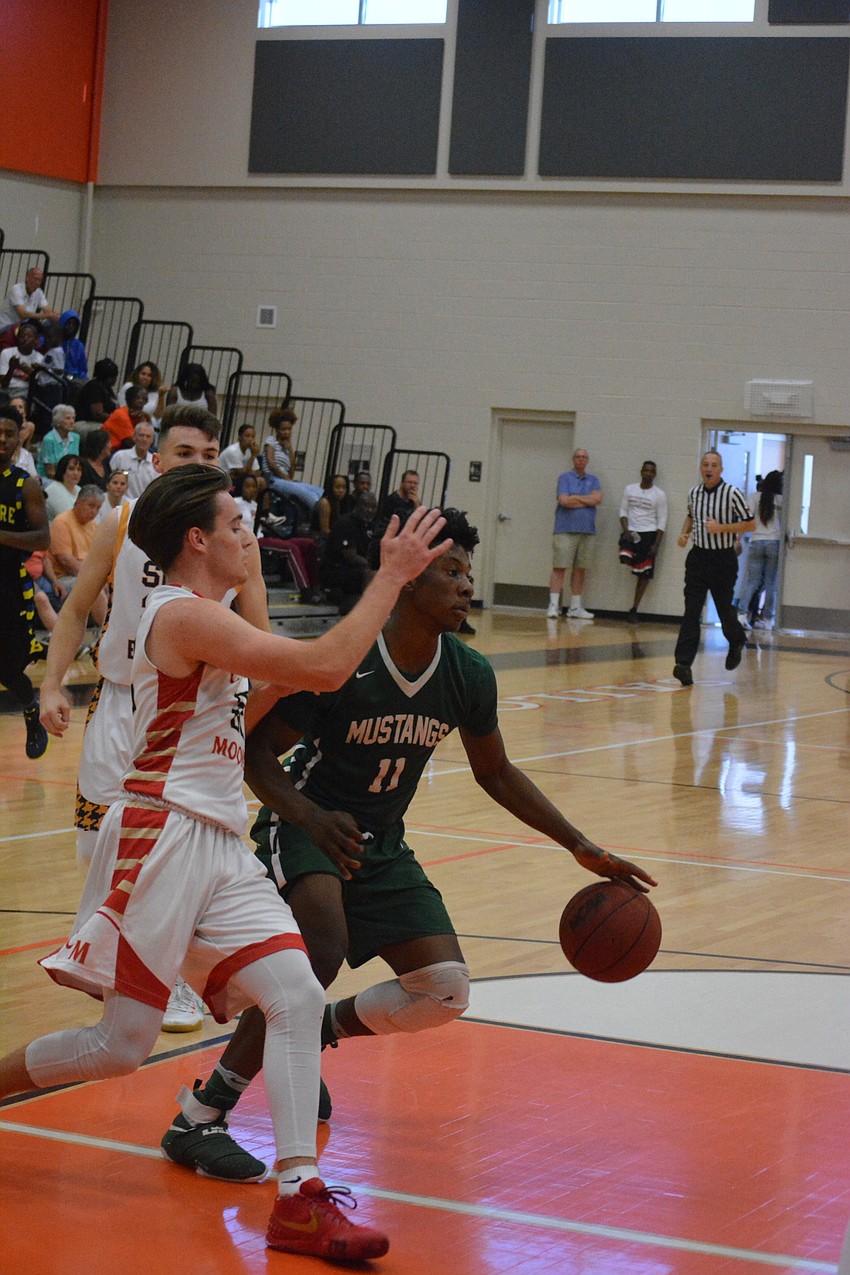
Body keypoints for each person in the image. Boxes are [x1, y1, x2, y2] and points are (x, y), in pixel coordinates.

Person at [0, 465, 452, 1260]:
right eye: (236, 524)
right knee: (120, 1046)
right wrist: (388, 579)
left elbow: (275, 690)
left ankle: (300, 1196)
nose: (252, 536)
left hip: (217, 837)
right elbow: (319, 666)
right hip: (162, 835)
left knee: (297, 993)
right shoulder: (178, 614)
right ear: (198, 539)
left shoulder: (212, 621)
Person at [161, 507, 657, 1184]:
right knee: (323, 946)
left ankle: (320, 1028)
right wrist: (307, 816)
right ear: (410, 582)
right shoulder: (349, 657)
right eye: (451, 572)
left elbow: (497, 771)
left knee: (445, 988)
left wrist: (579, 845)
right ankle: (201, 1111)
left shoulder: (468, 673)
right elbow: (256, 757)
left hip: (381, 843)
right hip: (307, 825)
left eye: (467, 575)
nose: (465, 587)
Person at [38, 405, 275, 1032]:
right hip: (122, 697)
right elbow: (77, 607)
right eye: (185, 454)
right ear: (156, 460)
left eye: (208, 455)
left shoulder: (233, 535)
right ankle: (120, 963)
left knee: (179, 850)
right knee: (103, 844)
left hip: (194, 710)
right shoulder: (121, 523)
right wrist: (52, 684)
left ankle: (166, 975)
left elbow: (261, 634)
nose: (198, 464)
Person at [672, 450, 755, 687]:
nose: (709, 468)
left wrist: (722, 528)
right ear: (701, 468)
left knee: (723, 608)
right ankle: (683, 665)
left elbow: (750, 523)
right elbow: (690, 516)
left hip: (722, 559)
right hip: (698, 557)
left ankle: (736, 640)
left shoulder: (732, 493)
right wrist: (684, 533)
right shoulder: (694, 493)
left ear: (721, 470)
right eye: (706, 464)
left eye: (714, 464)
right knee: (691, 610)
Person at [0, 404, 50, 758]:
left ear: (19, 438)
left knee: (7, 666)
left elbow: (42, 539)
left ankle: (31, 710)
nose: (2, 439)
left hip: (8, 585)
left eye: (8, 433)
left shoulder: (25, 484)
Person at [547, 448, 601, 620]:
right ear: (573, 459)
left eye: (584, 457)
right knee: (560, 567)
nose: (580, 460)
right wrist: (586, 500)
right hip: (565, 529)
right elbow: (563, 500)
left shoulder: (594, 480)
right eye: (578, 457)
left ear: (587, 460)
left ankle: (575, 607)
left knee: (580, 569)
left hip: (587, 531)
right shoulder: (565, 478)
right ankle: (554, 605)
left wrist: (575, 498)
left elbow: (597, 499)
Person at [49, 486, 108, 626]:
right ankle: (107, 633)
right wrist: (95, 577)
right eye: (91, 506)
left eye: (98, 508)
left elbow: (101, 558)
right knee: (93, 587)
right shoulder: (62, 521)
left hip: (86, 574)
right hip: (65, 578)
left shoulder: (93, 526)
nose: (94, 511)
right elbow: (65, 561)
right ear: (78, 502)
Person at [618, 460, 668, 621]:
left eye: (651, 471)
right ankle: (634, 560)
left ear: (655, 474)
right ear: (641, 471)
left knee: (643, 575)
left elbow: (662, 521)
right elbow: (623, 511)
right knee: (625, 557)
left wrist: (656, 545)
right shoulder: (629, 489)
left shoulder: (659, 495)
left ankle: (634, 609)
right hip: (631, 532)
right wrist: (626, 531)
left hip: (649, 535)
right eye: (646, 470)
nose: (648, 473)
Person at [737, 470, 783, 629]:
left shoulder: (755, 497)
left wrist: (738, 538)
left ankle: (742, 615)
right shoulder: (782, 500)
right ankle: (769, 619)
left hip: (756, 542)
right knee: (771, 583)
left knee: (752, 581)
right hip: (774, 543)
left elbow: (746, 519)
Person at [321, 490, 379, 612]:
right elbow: (350, 557)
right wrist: (374, 568)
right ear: (358, 505)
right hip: (337, 569)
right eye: (366, 505)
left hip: (356, 569)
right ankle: (367, 611)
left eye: (373, 507)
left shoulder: (372, 525)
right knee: (372, 574)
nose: (369, 510)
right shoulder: (345, 523)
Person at [261, 406, 323, 515]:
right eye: (283, 429)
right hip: (272, 479)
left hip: (284, 480)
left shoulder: (287, 448)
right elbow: (271, 463)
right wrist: (285, 478)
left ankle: (324, 505)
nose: (286, 432)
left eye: (289, 429)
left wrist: (290, 451)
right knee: (305, 493)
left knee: (317, 490)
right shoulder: (271, 440)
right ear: (277, 430)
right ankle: (318, 510)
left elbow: (291, 473)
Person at [0, 266, 59, 332]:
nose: (37, 283)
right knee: (33, 325)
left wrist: (54, 315)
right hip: (7, 327)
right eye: (35, 279)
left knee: (50, 324)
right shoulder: (16, 289)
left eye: (40, 280)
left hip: (23, 326)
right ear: (27, 277)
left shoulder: (39, 292)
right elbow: (23, 314)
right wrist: (45, 315)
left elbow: (48, 311)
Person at [110, 421, 157, 497]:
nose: (144, 439)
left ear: (152, 440)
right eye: (141, 435)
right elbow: (110, 482)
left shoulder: (155, 462)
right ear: (134, 437)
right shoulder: (120, 457)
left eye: (148, 436)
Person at [117, 361, 169, 428]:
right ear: (137, 374)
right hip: (128, 424)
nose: (145, 377)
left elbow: (158, 416)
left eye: (149, 375)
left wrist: (161, 396)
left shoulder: (155, 392)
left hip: (147, 427)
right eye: (143, 374)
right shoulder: (129, 386)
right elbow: (124, 409)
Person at [0, 321, 45, 396]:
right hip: (5, 392)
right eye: (22, 336)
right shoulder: (6, 353)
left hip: (25, 393)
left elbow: (39, 387)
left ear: (36, 340)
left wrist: (30, 372)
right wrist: (11, 369)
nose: (25, 339)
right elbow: (3, 385)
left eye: (29, 336)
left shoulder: (40, 359)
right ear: (17, 337)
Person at [36, 404, 80, 480]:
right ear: (57, 422)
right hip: (49, 479)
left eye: (73, 418)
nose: (72, 421)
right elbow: (50, 472)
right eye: (67, 418)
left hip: (70, 479)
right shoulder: (49, 439)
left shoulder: (76, 438)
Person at [74, 359, 119, 428]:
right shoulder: (94, 387)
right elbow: (98, 414)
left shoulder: (107, 389)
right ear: (110, 378)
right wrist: (117, 420)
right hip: (87, 422)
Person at [219, 422, 264, 489]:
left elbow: (257, 472)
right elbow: (241, 474)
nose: (250, 439)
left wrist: (249, 471)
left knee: (260, 481)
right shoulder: (233, 451)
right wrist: (253, 456)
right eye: (247, 436)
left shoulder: (250, 451)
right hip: (223, 480)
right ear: (239, 438)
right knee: (252, 482)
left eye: (253, 436)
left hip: (237, 478)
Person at [103, 384, 148, 451]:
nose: (141, 401)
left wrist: (141, 420)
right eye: (137, 398)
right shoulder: (121, 414)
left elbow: (149, 439)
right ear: (130, 399)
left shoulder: (140, 416)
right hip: (108, 451)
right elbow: (132, 442)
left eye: (144, 399)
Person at [312, 473, 353, 540]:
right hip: (320, 540)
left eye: (344, 487)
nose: (341, 490)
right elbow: (325, 531)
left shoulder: (341, 503)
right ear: (330, 488)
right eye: (337, 487)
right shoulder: (325, 503)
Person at [44, 453, 83, 521]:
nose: (76, 473)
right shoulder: (54, 489)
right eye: (71, 469)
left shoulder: (79, 489)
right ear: (62, 471)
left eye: (79, 470)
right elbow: (69, 519)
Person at [60, 310, 88, 382]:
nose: (71, 326)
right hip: (58, 376)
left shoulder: (78, 345)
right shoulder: (56, 342)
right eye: (68, 323)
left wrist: (80, 377)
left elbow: (83, 368)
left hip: (75, 378)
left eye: (74, 324)